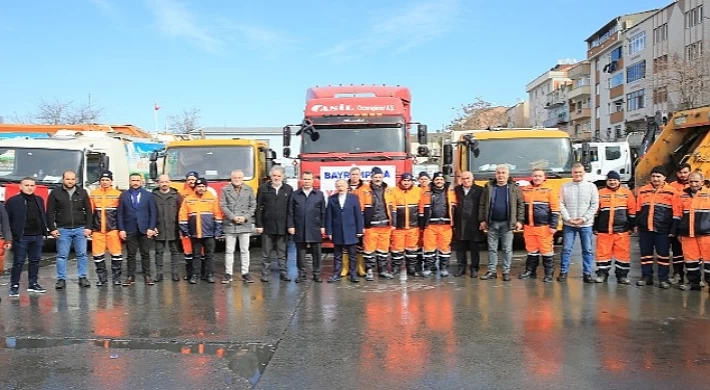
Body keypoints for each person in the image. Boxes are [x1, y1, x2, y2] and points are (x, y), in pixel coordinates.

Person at [635, 166, 681, 288]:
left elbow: (677, 212)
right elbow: (638, 209)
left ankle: (663, 279)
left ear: (664, 177)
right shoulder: (643, 190)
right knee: (645, 255)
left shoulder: (672, 191)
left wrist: (673, 229)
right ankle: (646, 277)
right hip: (645, 229)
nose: (655, 179)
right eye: (653, 176)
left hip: (663, 229)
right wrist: (637, 224)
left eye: (658, 176)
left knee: (663, 256)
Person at [47, 170, 93, 290]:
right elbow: (50, 212)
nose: (70, 181)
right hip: (63, 229)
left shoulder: (82, 192)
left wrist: (88, 227)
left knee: (82, 255)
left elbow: (89, 211)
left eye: (72, 179)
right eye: (67, 179)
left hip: (80, 228)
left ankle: (82, 277)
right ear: (63, 179)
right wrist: (52, 228)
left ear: (76, 180)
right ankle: (61, 279)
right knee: (62, 255)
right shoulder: (55, 193)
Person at [478, 164, 524, 281]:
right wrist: (482, 220)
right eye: (498, 173)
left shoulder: (514, 188)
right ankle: (492, 271)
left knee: (507, 249)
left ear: (508, 175)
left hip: (507, 224)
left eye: (503, 173)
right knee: (492, 248)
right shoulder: (489, 187)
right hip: (492, 223)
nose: (500, 175)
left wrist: (519, 220)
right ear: (495, 174)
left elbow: (520, 205)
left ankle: (505, 272)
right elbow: (482, 204)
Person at [559, 163, 599, 283]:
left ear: (584, 173)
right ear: (572, 173)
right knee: (566, 249)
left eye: (580, 172)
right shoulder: (565, 186)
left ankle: (587, 273)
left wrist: (584, 218)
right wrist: (568, 218)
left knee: (587, 250)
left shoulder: (591, 187)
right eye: (575, 172)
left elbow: (594, 204)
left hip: (586, 225)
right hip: (569, 224)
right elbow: (560, 204)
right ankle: (563, 272)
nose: (578, 174)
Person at [593, 170, 636, 285]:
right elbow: (596, 212)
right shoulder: (600, 193)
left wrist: (632, 226)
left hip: (622, 230)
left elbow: (632, 211)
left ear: (619, 181)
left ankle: (622, 276)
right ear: (607, 181)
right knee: (602, 254)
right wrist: (595, 227)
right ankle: (602, 274)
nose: (612, 182)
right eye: (610, 180)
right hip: (604, 230)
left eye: (614, 180)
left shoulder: (627, 193)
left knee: (623, 254)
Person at [519, 168, 560, 283]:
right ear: (532, 177)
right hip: (529, 227)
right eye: (535, 176)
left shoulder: (549, 190)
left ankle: (549, 273)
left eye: (539, 176)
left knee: (547, 251)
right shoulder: (525, 190)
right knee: (531, 250)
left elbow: (555, 209)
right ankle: (530, 271)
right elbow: (521, 207)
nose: (537, 178)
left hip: (544, 227)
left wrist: (553, 225)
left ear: (544, 177)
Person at [179, 177, 223, 284]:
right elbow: (182, 216)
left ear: (206, 187)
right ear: (196, 187)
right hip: (194, 233)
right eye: (199, 186)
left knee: (209, 256)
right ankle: (195, 275)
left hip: (209, 233)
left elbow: (218, 215)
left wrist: (217, 232)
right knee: (196, 255)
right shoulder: (188, 199)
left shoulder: (212, 198)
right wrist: (185, 231)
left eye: (203, 186)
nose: (201, 188)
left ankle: (209, 275)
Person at [6, 178, 45, 297]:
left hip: (37, 235)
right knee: (18, 262)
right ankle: (14, 286)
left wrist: (44, 231)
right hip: (21, 237)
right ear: (20, 187)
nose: (29, 187)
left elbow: (42, 215)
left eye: (32, 185)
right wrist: (10, 236)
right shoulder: (13, 201)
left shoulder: (39, 200)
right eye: (27, 185)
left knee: (35, 261)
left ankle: (33, 284)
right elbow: (7, 219)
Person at [117, 173, 158, 286]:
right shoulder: (123, 195)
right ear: (129, 181)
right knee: (131, 254)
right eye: (133, 180)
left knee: (145, 253)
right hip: (129, 229)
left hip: (144, 229)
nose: (135, 182)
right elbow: (120, 214)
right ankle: (130, 276)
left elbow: (153, 213)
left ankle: (147, 276)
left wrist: (151, 228)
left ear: (142, 182)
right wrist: (121, 229)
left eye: (137, 180)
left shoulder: (148, 195)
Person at [256, 165, 294, 282]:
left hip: (282, 227)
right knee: (266, 252)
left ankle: (283, 273)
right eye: (274, 175)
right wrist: (259, 225)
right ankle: (265, 274)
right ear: (270, 176)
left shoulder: (288, 189)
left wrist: (290, 225)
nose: (276, 178)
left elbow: (290, 209)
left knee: (282, 252)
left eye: (278, 176)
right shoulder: (263, 189)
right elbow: (258, 208)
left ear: (283, 177)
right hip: (267, 226)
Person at [288, 171, 326, 283]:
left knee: (317, 253)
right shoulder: (295, 194)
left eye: (309, 179)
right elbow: (290, 211)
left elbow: (323, 211)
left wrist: (323, 226)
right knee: (300, 253)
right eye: (305, 179)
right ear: (301, 180)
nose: (307, 181)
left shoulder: (319, 194)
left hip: (315, 227)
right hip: (299, 227)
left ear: (313, 180)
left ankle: (317, 274)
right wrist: (291, 225)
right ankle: (301, 274)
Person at [220, 169, 256, 284]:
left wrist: (245, 217)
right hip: (231, 224)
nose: (237, 180)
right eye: (235, 178)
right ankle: (228, 274)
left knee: (245, 250)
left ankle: (245, 273)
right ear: (231, 179)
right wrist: (233, 217)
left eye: (239, 178)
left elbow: (253, 206)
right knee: (229, 251)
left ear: (243, 178)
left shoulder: (249, 189)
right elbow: (223, 205)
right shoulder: (225, 190)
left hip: (244, 224)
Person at [676, 171, 710, 291]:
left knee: (709, 261)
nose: (693, 184)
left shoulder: (708, 194)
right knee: (691, 261)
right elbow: (677, 215)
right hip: (688, 234)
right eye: (691, 181)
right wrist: (677, 232)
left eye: (696, 181)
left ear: (702, 181)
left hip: (706, 234)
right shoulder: (682, 195)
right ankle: (693, 283)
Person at [326, 179, 364, 283]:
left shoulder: (354, 198)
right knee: (337, 255)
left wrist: (359, 230)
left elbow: (358, 215)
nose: (340, 187)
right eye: (338, 186)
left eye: (342, 185)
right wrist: (329, 231)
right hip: (337, 231)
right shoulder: (331, 199)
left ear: (347, 186)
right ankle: (336, 274)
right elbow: (328, 216)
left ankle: (353, 274)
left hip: (351, 230)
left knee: (352, 255)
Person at [360, 167, 395, 281]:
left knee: (383, 250)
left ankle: (383, 270)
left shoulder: (389, 189)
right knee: (369, 250)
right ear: (371, 177)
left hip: (385, 225)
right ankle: (369, 270)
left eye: (379, 177)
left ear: (383, 177)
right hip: (371, 226)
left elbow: (393, 207)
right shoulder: (364, 190)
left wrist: (393, 222)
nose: (377, 179)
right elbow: (360, 209)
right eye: (375, 177)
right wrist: (362, 226)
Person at [419, 172, 456, 277]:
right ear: (433, 181)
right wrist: (422, 225)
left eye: (441, 179)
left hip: (446, 225)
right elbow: (422, 210)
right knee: (429, 248)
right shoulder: (427, 192)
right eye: (437, 179)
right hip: (430, 225)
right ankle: (428, 268)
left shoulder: (450, 192)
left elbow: (455, 208)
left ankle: (444, 268)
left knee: (445, 248)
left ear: (444, 181)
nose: (439, 181)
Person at [89, 170, 123, 286]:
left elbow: (121, 213)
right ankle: (102, 278)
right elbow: (90, 212)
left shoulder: (117, 194)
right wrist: (89, 228)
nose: (104, 182)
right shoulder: (93, 194)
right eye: (102, 180)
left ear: (111, 181)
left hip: (112, 230)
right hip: (98, 230)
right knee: (98, 256)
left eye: (107, 180)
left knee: (116, 255)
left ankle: (116, 278)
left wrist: (121, 229)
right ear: (99, 181)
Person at [390, 172, 422, 280]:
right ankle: (396, 268)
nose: (406, 183)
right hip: (398, 227)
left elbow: (422, 208)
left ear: (412, 181)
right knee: (396, 249)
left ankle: (411, 269)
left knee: (412, 250)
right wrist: (393, 224)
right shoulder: (394, 191)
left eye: (408, 180)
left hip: (413, 226)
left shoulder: (418, 191)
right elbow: (392, 209)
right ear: (400, 181)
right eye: (404, 180)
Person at [452, 171, 483, 278]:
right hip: (460, 223)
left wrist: (482, 221)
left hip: (474, 223)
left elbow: (482, 206)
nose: (466, 181)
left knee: (474, 248)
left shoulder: (480, 190)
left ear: (472, 178)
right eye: (464, 179)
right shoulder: (457, 190)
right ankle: (461, 268)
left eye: (468, 178)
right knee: (460, 248)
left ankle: (474, 269)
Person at [153, 174, 183, 282]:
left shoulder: (176, 195)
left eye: (166, 182)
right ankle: (159, 274)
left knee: (175, 252)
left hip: (173, 228)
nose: (164, 184)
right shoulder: (153, 196)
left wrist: (181, 228)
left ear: (169, 182)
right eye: (162, 182)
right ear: (158, 183)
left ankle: (175, 273)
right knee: (158, 252)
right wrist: (152, 227)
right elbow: (150, 213)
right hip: (158, 228)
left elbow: (182, 212)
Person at [669, 163, 691, 285]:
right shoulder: (671, 187)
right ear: (676, 173)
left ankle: (692, 276)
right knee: (677, 251)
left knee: (693, 252)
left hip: (692, 224)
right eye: (680, 173)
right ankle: (677, 273)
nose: (683, 175)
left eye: (685, 172)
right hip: (676, 222)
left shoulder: (696, 186)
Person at [344, 166, 367, 277]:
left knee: (360, 244)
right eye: (353, 174)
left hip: (360, 217)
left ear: (360, 175)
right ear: (350, 175)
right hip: (347, 218)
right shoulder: (344, 186)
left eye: (357, 174)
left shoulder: (366, 188)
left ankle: (360, 268)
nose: (355, 176)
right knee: (345, 244)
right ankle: (345, 268)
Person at [179, 171, 199, 280]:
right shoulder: (181, 194)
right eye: (189, 179)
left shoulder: (202, 192)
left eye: (193, 179)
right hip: (185, 226)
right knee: (188, 250)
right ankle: (189, 272)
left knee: (201, 251)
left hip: (199, 227)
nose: (191, 181)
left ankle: (200, 272)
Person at [415, 171, 431, 276]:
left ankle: (429, 265)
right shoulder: (415, 190)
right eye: (422, 179)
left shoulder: (431, 190)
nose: (423, 181)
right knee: (418, 243)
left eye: (425, 179)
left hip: (427, 220)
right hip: (416, 219)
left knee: (429, 244)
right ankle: (418, 264)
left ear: (429, 180)